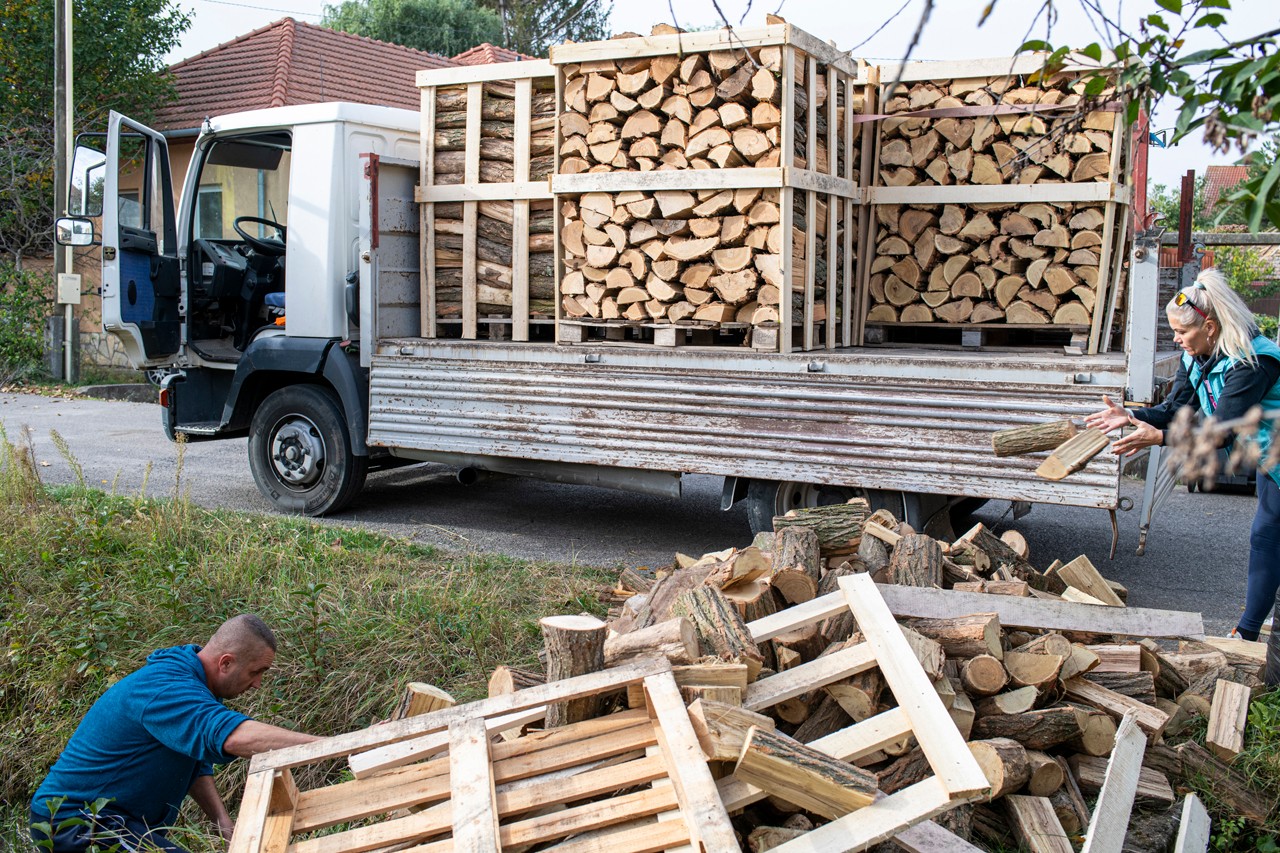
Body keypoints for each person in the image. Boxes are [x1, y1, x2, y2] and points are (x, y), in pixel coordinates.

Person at [1086, 268, 1280, 666]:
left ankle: (1252, 635)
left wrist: (1158, 438)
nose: (1176, 340)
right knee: (1265, 541)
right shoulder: (1199, 357)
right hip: (1270, 460)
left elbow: (1221, 431)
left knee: (1267, 539)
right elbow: (1176, 410)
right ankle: (1246, 632)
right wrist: (1132, 415)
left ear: (1209, 326)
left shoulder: (1253, 360)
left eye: (1182, 333)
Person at [30, 614, 320, 852]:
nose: (257, 684)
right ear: (226, 663)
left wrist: (222, 821)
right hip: (75, 821)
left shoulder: (197, 684)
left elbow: (194, 762)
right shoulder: (168, 689)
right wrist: (334, 745)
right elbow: (232, 736)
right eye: (256, 672)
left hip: (115, 820)